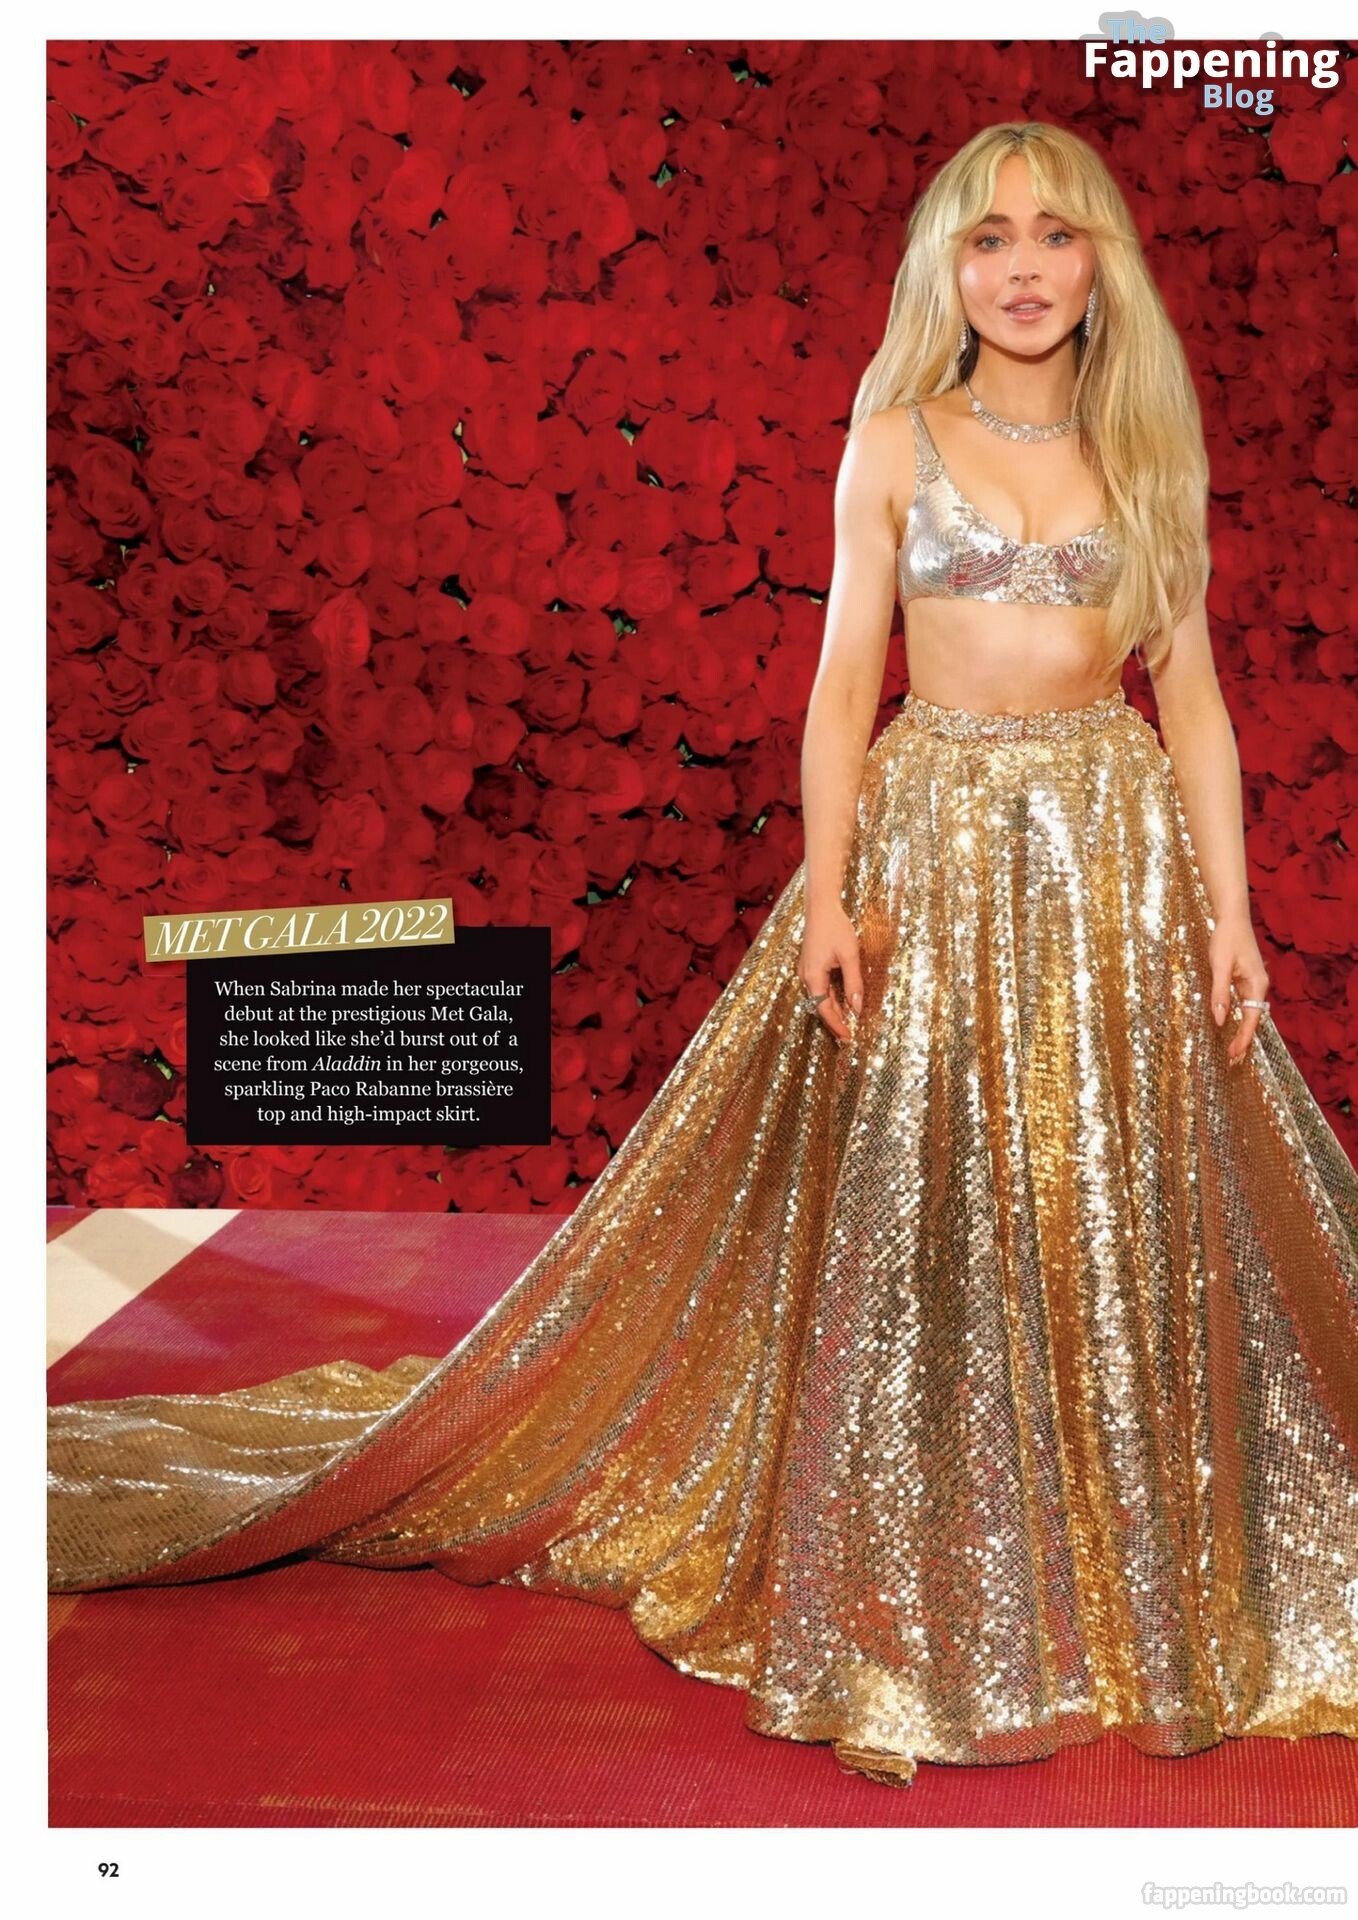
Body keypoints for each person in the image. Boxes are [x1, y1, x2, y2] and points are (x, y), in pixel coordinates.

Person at [48, 121, 1358, 1793]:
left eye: (1054, 234)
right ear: (946, 268)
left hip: (1109, 854)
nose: (1021, 267)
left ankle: (1119, 1553)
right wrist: (828, 896)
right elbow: (841, 685)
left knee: (1104, 1201)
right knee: (929, 1203)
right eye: (987, 237)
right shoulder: (894, 439)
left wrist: (1229, 914)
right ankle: (927, 1567)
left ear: (1101, 263)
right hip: (933, 844)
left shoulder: (1148, 452)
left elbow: (1195, 704)